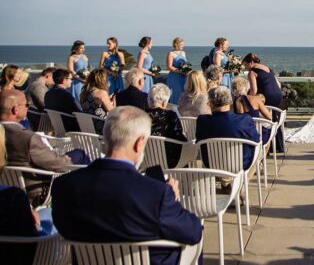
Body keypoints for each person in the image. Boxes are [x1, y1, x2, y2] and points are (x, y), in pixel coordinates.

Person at [51, 106, 202, 265]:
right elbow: (193, 232)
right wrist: (174, 199)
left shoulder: (64, 186)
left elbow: (64, 228)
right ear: (139, 143)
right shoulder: (156, 193)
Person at [1, 90, 87, 205]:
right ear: (15, 110)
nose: (27, 108)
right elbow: (58, 165)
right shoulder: (27, 138)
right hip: (35, 193)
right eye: (26, 105)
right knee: (79, 155)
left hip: (5, 189)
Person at [0, 124, 56, 264]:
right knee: (53, 217)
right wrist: (34, 224)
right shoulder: (12, 198)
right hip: (26, 255)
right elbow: (29, 240)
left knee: (48, 212)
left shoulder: (13, 198)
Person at [196, 87, 260, 169]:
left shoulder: (202, 120)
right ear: (230, 102)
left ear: (210, 103)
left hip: (211, 164)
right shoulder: (245, 119)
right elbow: (256, 140)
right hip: (240, 165)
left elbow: (198, 139)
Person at [243, 52, 286, 150]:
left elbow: (254, 90)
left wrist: (248, 99)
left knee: (264, 120)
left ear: (251, 62)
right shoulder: (267, 68)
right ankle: (279, 146)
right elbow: (278, 84)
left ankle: (265, 144)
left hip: (267, 96)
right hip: (278, 95)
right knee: (275, 120)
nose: (246, 68)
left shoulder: (252, 72)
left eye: (246, 65)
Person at [146, 84, 186, 168]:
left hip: (146, 160)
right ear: (164, 103)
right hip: (169, 161)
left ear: (149, 101)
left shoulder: (140, 116)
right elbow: (179, 138)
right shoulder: (170, 116)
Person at [232, 77, 272, 143]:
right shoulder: (256, 99)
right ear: (247, 87)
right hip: (256, 134)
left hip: (238, 136)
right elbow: (269, 117)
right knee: (269, 132)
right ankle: (263, 152)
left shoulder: (230, 103)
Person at [44, 68, 82, 132]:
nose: (72, 81)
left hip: (57, 127)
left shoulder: (48, 94)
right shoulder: (65, 95)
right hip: (71, 128)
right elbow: (78, 111)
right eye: (71, 79)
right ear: (64, 80)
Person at [165, 37, 188, 104]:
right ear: (177, 44)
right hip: (174, 77)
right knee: (175, 93)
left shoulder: (183, 53)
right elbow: (169, 66)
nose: (183, 46)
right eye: (182, 44)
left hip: (183, 77)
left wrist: (186, 69)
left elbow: (185, 64)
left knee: (183, 93)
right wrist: (180, 71)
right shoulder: (171, 53)